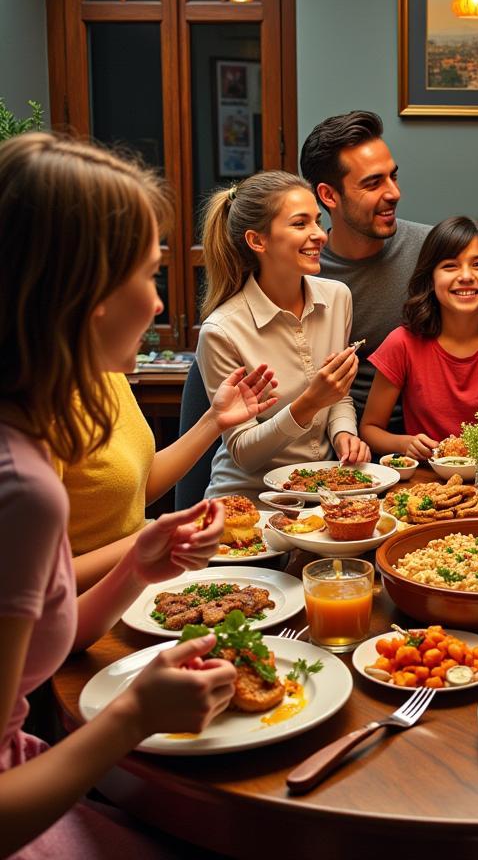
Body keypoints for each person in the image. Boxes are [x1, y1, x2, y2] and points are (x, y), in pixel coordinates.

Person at [0, 132, 237, 859]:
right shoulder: (24, 489)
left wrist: (136, 562)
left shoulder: (31, 435)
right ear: (86, 294)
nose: (160, 300)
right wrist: (133, 714)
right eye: (149, 272)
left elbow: (43, 645)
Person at [196, 170, 370, 500]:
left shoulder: (337, 298)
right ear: (257, 241)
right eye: (300, 223)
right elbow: (243, 454)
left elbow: (338, 394)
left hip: (323, 496)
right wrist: (308, 403)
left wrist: (343, 433)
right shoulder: (222, 331)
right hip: (248, 505)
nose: (320, 234)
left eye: (318, 221)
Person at [60, 362, 278, 591]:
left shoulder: (109, 374)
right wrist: (155, 541)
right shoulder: (37, 411)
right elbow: (39, 584)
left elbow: (133, 488)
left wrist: (214, 420)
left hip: (141, 580)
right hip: (88, 601)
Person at [359, 216, 478, 458]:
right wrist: (404, 444)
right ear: (431, 277)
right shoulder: (402, 344)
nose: (466, 276)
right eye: (450, 266)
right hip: (427, 481)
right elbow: (370, 429)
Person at [300, 110, 430, 430]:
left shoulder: (433, 252)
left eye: (393, 176)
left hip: (424, 444)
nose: (393, 193)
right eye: (373, 183)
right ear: (328, 195)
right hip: (331, 449)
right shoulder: (301, 273)